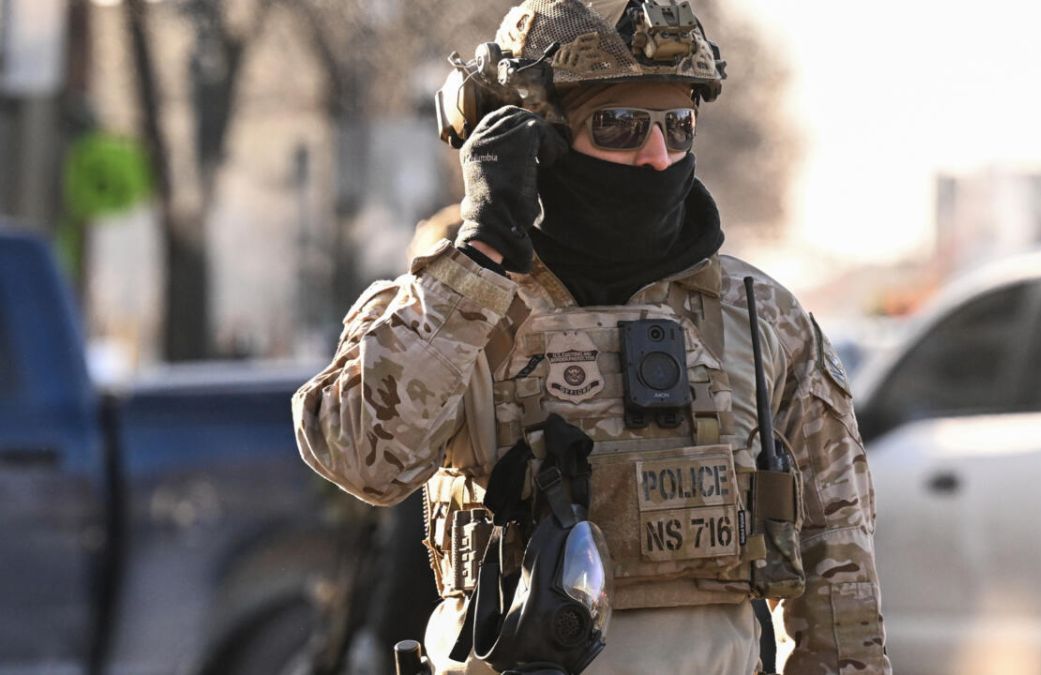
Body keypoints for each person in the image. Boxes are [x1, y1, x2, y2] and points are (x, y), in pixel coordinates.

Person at [292, 1, 891, 673]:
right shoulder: (453, 307)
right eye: (619, 125)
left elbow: (842, 590)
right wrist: (480, 256)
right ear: (533, 136)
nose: (657, 156)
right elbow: (363, 462)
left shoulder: (763, 318)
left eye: (679, 126)